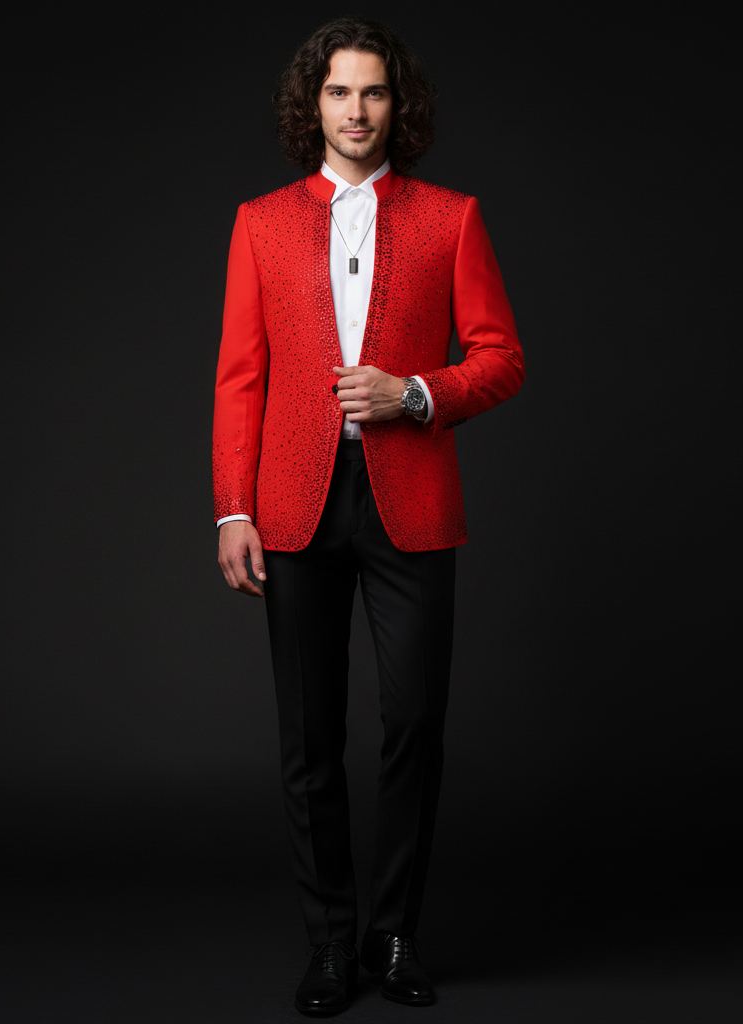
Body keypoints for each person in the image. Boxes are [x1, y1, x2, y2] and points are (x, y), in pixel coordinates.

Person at [212, 17, 523, 1016]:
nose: (356, 110)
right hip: (293, 502)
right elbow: (239, 377)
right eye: (339, 92)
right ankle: (330, 944)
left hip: (411, 499)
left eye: (374, 92)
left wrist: (416, 394)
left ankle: (394, 937)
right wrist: (232, 508)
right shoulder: (260, 222)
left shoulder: (452, 217)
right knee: (308, 737)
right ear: (313, 104)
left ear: (399, 104)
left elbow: (501, 358)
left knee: (414, 723)